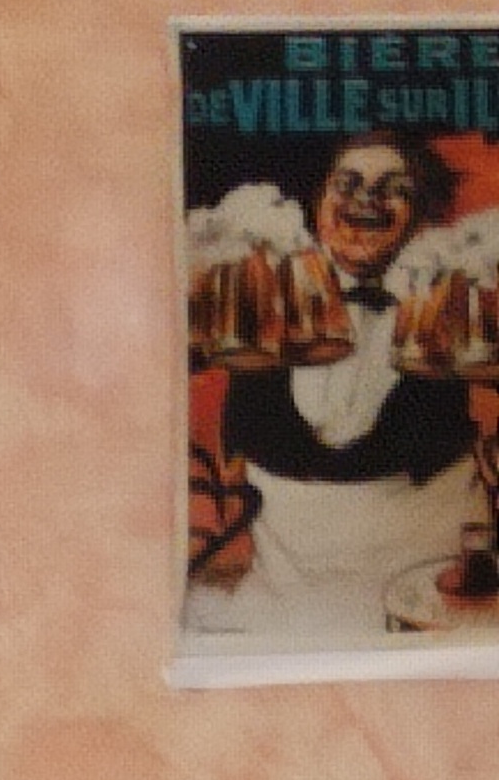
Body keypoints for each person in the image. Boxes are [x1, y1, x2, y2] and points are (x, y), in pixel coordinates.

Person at [191, 130, 486, 623]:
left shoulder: (456, 293)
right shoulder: (257, 287)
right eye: (347, 184)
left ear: (420, 211)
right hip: (285, 581)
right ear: (317, 201)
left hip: (428, 566)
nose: (366, 200)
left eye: (393, 188)